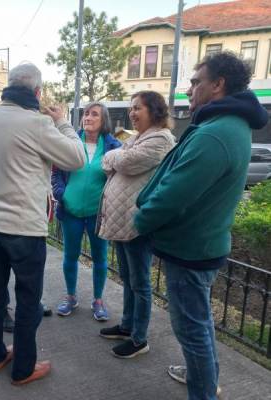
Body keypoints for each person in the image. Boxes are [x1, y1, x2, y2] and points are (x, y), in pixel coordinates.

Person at [134, 51, 268, 399]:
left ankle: (203, 388)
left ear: (218, 85)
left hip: (191, 250)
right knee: (201, 324)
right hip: (201, 246)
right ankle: (204, 375)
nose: (189, 90)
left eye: (196, 82)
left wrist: (141, 219)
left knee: (191, 330)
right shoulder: (220, 125)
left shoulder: (216, 133)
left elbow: (173, 194)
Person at [0, 62, 85, 385]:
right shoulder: (38, 123)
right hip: (24, 228)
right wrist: (62, 122)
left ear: (8, 87)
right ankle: (23, 369)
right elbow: (77, 158)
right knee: (28, 298)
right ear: (36, 92)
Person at [97, 91, 175, 358]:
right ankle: (127, 325)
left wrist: (114, 157)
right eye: (131, 108)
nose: (132, 113)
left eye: (137, 108)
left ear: (154, 111)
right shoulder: (139, 138)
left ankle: (139, 338)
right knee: (127, 279)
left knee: (140, 283)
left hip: (137, 223)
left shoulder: (161, 139)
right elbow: (107, 163)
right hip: (122, 220)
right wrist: (114, 158)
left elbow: (124, 162)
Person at [51, 102, 121, 320]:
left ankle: (98, 300)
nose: (88, 118)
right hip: (71, 210)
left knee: (100, 257)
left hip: (98, 214)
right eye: (86, 114)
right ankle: (70, 297)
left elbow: (119, 178)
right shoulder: (71, 143)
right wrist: (61, 193)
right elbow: (56, 172)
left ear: (104, 120)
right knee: (70, 255)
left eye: (94, 114)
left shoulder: (113, 146)